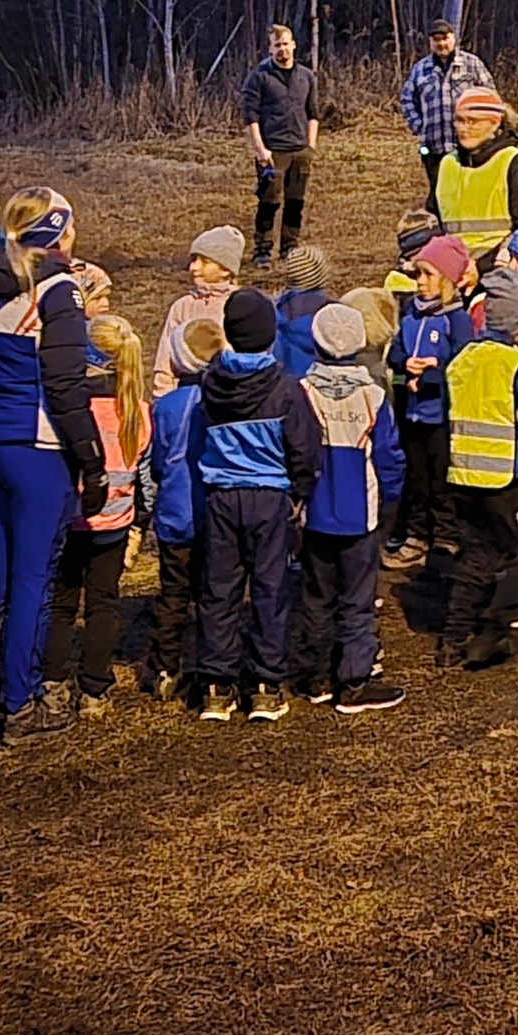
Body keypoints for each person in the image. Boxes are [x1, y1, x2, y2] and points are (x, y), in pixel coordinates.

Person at [0, 190, 108, 741]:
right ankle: (18, 704)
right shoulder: (58, 289)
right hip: (36, 447)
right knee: (32, 582)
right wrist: (92, 463)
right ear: (61, 233)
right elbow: (65, 386)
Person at [175, 289, 310, 722]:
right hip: (270, 499)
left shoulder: (211, 386)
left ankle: (216, 685)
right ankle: (267, 686)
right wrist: (302, 490)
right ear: (271, 335)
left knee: (219, 590)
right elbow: (303, 448)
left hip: (221, 497)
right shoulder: (285, 390)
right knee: (270, 589)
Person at [436, 266, 518, 669]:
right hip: (503, 479)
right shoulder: (513, 363)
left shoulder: (464, 359)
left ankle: (453, 638)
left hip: (462, 474)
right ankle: (494, 626)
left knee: (476, 557)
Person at [293, 302, 408, 713]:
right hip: (362, 514)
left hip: (314, 512)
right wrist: (391, 502)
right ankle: (354, 680)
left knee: (316, 596)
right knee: (357, 600)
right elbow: (390, 458)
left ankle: (316, 675)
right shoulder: (373, 396)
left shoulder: (301, 392)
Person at [43, 306, 148, 713]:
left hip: (70, 520)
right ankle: (94, 690)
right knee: (105, 603)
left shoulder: (70, 409)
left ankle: (52, 684)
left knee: (62, 604)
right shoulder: (137, 411)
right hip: (115, 523)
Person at [139, 317, 226, 702]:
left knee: (173, 593)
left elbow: (157, 462)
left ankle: (164, 666)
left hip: (175, 512)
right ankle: (212, 667)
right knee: (214, 592)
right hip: (214, 511)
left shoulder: (167, 406)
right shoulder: (222, 401)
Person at [385, 233, 476, 576]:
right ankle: (416, 537)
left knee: (441, 481)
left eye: (428, 275)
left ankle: (445, 539)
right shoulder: (410, 314)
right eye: (417, 275)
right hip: (412, 413)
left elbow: (463, 365)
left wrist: (433, 375)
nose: (420, 283)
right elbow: (395, 351)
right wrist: (404, 364)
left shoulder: (457, 320)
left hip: (440, 415)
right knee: (417, 478)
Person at [432, 87, 518, 266]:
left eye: (473, 122)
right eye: (460, 120)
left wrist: (481, 267)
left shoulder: (515, 163)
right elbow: (433, 220)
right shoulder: (447, 164)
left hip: (499, 266)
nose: (464, 128)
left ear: (495, 123)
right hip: (449, 267)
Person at [240, 23, 320, 267]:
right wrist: (260, 150)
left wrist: (310, 146)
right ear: (270, 48)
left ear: (294, 45)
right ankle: (262, 250)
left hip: (300, 150)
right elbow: (249, 116)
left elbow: (313, 113)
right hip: (273, 151)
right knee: (269, 202)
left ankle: (290, 248)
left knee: (295, 202)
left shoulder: (306, 76)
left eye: (285, 44)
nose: (282, 49)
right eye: (277, 45)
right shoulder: (259, 77)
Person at [396, 18, 497, 191]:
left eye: (445, 38)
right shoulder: (420, 69)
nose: (441, 43)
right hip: (433, 146)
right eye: (436, 40)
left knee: (468, 192)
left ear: (453, 39)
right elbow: (406, 99)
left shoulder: (471, 64)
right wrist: (419, 126)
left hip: (467, 145)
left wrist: (480, 127)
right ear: (430, 42)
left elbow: (490, 96)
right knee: (439, 195)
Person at [155, 226, 249, 399]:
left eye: (204, 262)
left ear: (225, 269)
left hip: (228, 393)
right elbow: (165, 358)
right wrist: (162, 397)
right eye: (193, 260)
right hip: (186, 393)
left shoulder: (239, 305)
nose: (194, 267)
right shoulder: (182, 306)